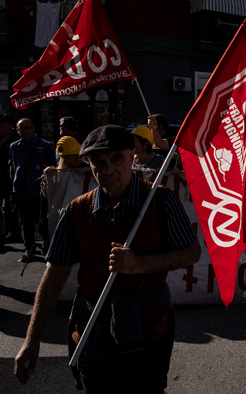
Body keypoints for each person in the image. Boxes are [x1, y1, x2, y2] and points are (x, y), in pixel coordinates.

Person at [14, 125, 201, 393]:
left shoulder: (160, 200)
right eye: (98, 162)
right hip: (92, 331)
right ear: (88, 164)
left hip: (147, 331)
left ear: (132, 155)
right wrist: (31, 339)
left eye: (117, 159)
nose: (108, 169)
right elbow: (54, 274)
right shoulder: (76, 211)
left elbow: (191, 253)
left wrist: (140, 265)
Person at [9, 118, 56, 262]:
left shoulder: (46, 146)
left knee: (41, 221)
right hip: (21, 192)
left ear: (33, 128)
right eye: (21, 128)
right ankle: (29, 248)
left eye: (27, 127)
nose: (25, 130)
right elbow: (12, 167)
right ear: (17, 131)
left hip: (38, 191)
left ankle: (47, 245)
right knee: (25, 223)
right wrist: (14, 186)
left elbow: (54, 168)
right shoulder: (14, 146)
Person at [0, 114, 20, 250]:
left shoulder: (16, 140)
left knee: (9, 206)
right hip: (0, 176)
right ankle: (4, 231)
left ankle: (13, 232)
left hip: (10, 177)